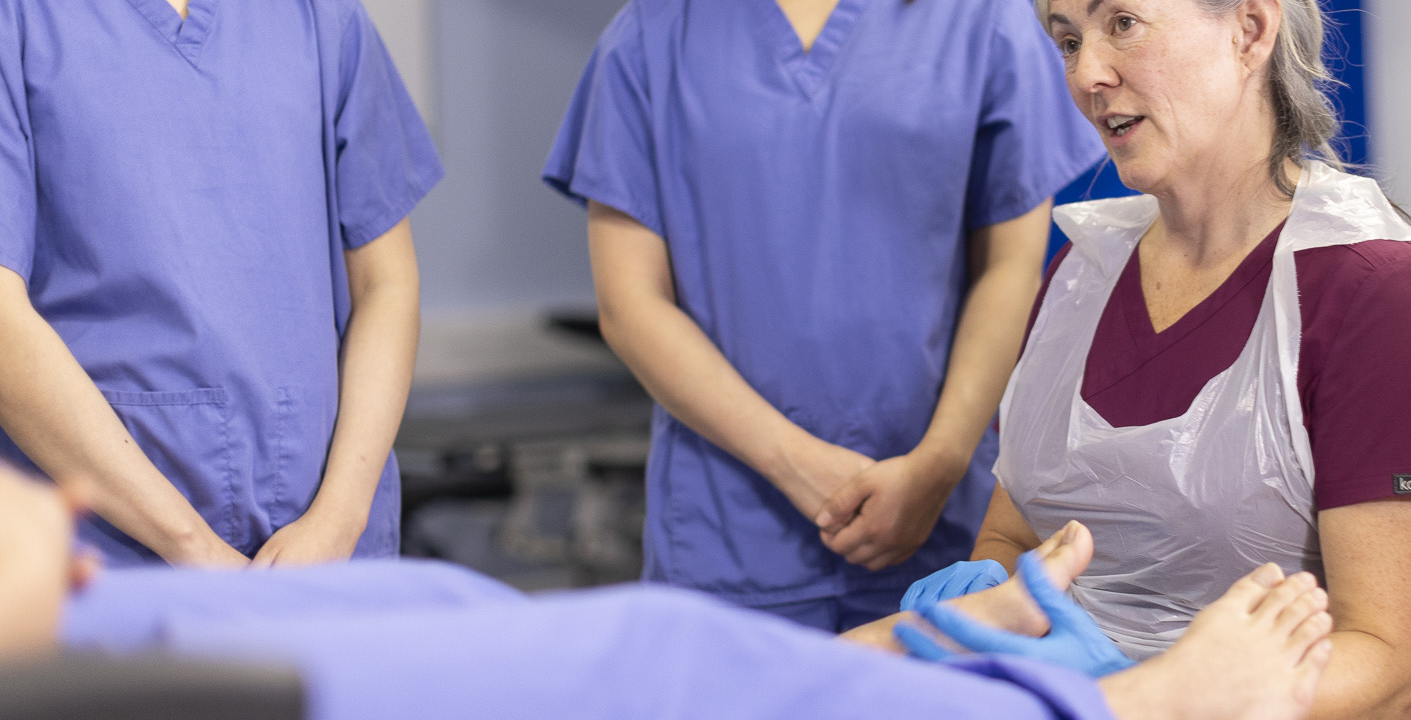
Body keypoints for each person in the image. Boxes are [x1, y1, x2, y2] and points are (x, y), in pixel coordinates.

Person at [543, 0, 1101, 630]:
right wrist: (797, 464)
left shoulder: (978, 14)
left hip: (943, 525)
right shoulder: (650, 40)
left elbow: (1013, 268)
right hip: (730, 537)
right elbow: (633, 307)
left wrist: (933, 466)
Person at [907, 0, 1411, 719]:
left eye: (1123, 24)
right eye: (1068, 40)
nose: (1088, 74)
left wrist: (1142, 699)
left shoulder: (1374, 293)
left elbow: (1387, 668)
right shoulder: (1079, 274)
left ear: (1250, 29)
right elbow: (1014, 532)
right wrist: (988, 600)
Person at [0, 0, 441, 568]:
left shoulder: (313, 1)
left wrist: (338, 517)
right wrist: (188, 544)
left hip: (327, 556)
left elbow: (388, 283)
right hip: (103, 560)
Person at [0, 464, 1335, 720]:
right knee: (645, 665)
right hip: (59, 658)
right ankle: (1143, 710)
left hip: (67, 636)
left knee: (452, 611)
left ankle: (879, 661)